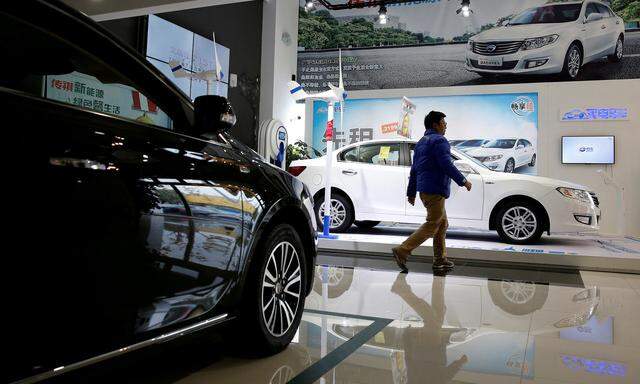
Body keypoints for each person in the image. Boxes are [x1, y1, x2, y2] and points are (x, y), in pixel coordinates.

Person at [392, 111, 472, 272]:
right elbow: (446, 164)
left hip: (425, 190)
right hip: (435, 189)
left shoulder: (422, 142)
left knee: (442, 224)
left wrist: (411, 192)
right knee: (433, 224)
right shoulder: (440, 140)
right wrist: (463, 181)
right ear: (435, 125)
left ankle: (440, 259)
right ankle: (402, 250)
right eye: (443, 122)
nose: (445, 125)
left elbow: (414, 169)